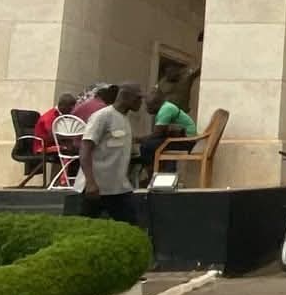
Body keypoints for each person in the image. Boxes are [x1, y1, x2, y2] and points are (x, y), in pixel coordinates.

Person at [75, 82, 144, 224]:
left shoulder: (125, 119)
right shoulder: (102, 116)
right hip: (96, 188)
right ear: (125, 97)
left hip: (117, 188)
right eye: (137, 98)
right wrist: (90, 182)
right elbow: (85, 149)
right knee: (83, 227)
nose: (141, 103)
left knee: (131, 227)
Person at [139, 89, 198, 181]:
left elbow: (157, 134)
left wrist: (138, 139)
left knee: (146, 146)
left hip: (186, 142)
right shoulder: (166, 107)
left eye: (148, 106)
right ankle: (161, 173)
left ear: (156, 104)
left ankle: (150, 177)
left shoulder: (165, 110)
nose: (146, 109)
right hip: (181, 138)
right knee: (153, 144)